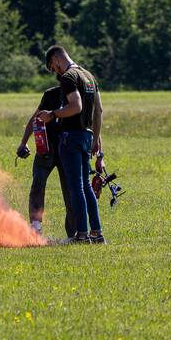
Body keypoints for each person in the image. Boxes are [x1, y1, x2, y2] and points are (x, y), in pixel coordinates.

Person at [37, 45, 106, 244]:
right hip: (86, 136)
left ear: (56, 59)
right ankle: (97, 233)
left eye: (53, 67)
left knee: (76, 187)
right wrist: (95, 138)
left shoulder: (69, 77)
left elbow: (76, 106)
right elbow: (98, 111)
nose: (55, 72)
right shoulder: (89, 76)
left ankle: (82, 235)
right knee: (85, 186)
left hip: (71, 137)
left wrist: (53, 114)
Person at [16, 86, 75, 240]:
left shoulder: (77, 95)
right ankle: (35, 228)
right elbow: (35, 118)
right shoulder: (51, 94)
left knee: (70, 191)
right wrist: (23, 143)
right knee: (38, 185)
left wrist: (97, 146)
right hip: (46, 149)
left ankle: (73, 233)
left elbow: (87, 122)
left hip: (67, 150)